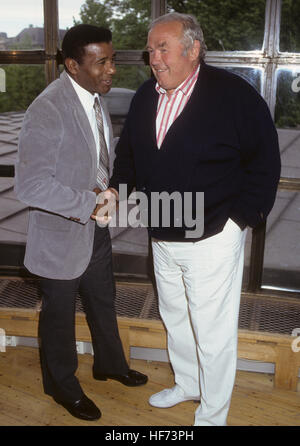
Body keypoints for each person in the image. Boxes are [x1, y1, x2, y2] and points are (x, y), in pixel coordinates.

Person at [106, 13, 281, 426]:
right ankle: (188, 384)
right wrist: (117, 189)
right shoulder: (146, 95)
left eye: (162, 48)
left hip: (214, 236)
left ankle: (213, 414)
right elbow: (128, 156)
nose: (155, 59)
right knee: (175, 316)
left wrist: (241, 220)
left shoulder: (234, 95)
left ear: (193, 49)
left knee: (213, 330)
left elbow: (265, 161)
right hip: (162, 232)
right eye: (151, 50)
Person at [14, 24, 147, 422]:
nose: (111, 70)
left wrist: (107, 196)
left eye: (111, 60)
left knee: (103, 302)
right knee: (59, 317)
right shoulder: (48, 107)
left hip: (95, 229)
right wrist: (89, 204)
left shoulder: (93, 98)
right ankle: (61, 386)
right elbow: (31, 185)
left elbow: (92, 159)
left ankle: (110, 364)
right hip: (61, 235)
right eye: (100, 62)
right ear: (72, 65)